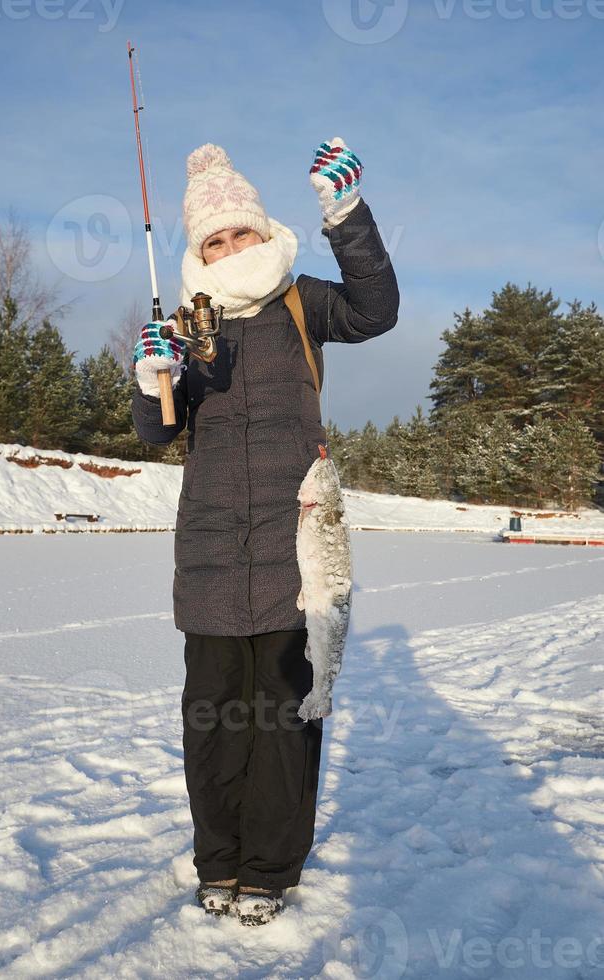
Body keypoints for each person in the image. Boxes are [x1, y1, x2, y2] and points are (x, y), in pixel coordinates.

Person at [131, 138, 400, 926]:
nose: (230, 247)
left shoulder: (299, 301)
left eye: (240, 232)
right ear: (199, 251)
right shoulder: (186, 325)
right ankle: (217, 860)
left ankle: (268, 872)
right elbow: (154, 431)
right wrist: (152, 378)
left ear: (262, 230)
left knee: (285, 720)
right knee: (212, 721)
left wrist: (346, 217)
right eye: (214, 239)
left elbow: (375, 311)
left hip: (296, 550)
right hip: (210, 557)